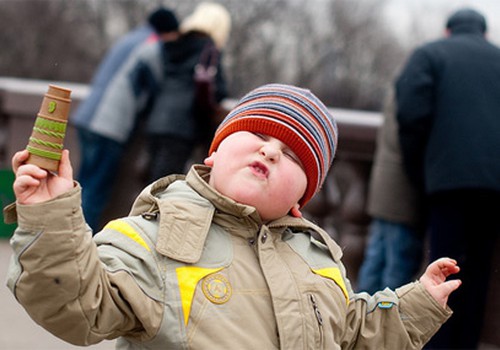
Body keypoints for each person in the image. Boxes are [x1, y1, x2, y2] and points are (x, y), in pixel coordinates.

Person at [6, 84, 461, 349]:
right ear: (215, 151)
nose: (270, 150)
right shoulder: (153, 231)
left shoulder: (318, 260)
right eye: (258, 134)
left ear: (302, 198)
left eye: (293, 156)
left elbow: (352, 333)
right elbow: (77, 306)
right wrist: (49, 217)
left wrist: (415, 304)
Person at [395, 8, 500, 349]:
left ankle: (438, 344)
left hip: (447, 183)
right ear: (484, 33)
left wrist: (420, 171)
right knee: (480, 274)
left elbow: (411, 115)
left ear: (447, 30)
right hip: (494, 185)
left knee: (443, 269)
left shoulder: (430, 54)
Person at [71, 7, 179, 232]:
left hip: (87, 116)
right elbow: (158, 83)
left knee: (79, 187)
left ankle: (66, 237)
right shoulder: (152, 44)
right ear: (168, 31)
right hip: (109, 125)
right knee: (95, 190)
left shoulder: (130, 38)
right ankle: (80, 245)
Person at [144, 2, 231, 184]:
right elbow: (219, 89)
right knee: (163, 187)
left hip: (156, 121)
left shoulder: (174, 43)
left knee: (152, 185)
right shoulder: (208, 47)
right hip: (181, 127)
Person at [357, 89, 425, 294]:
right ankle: (384, 322)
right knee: (397, 270)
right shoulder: (415, 93)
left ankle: (359, 320)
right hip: (403, 193)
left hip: (385, 188)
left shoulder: (402, 87)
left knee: (375, 263)